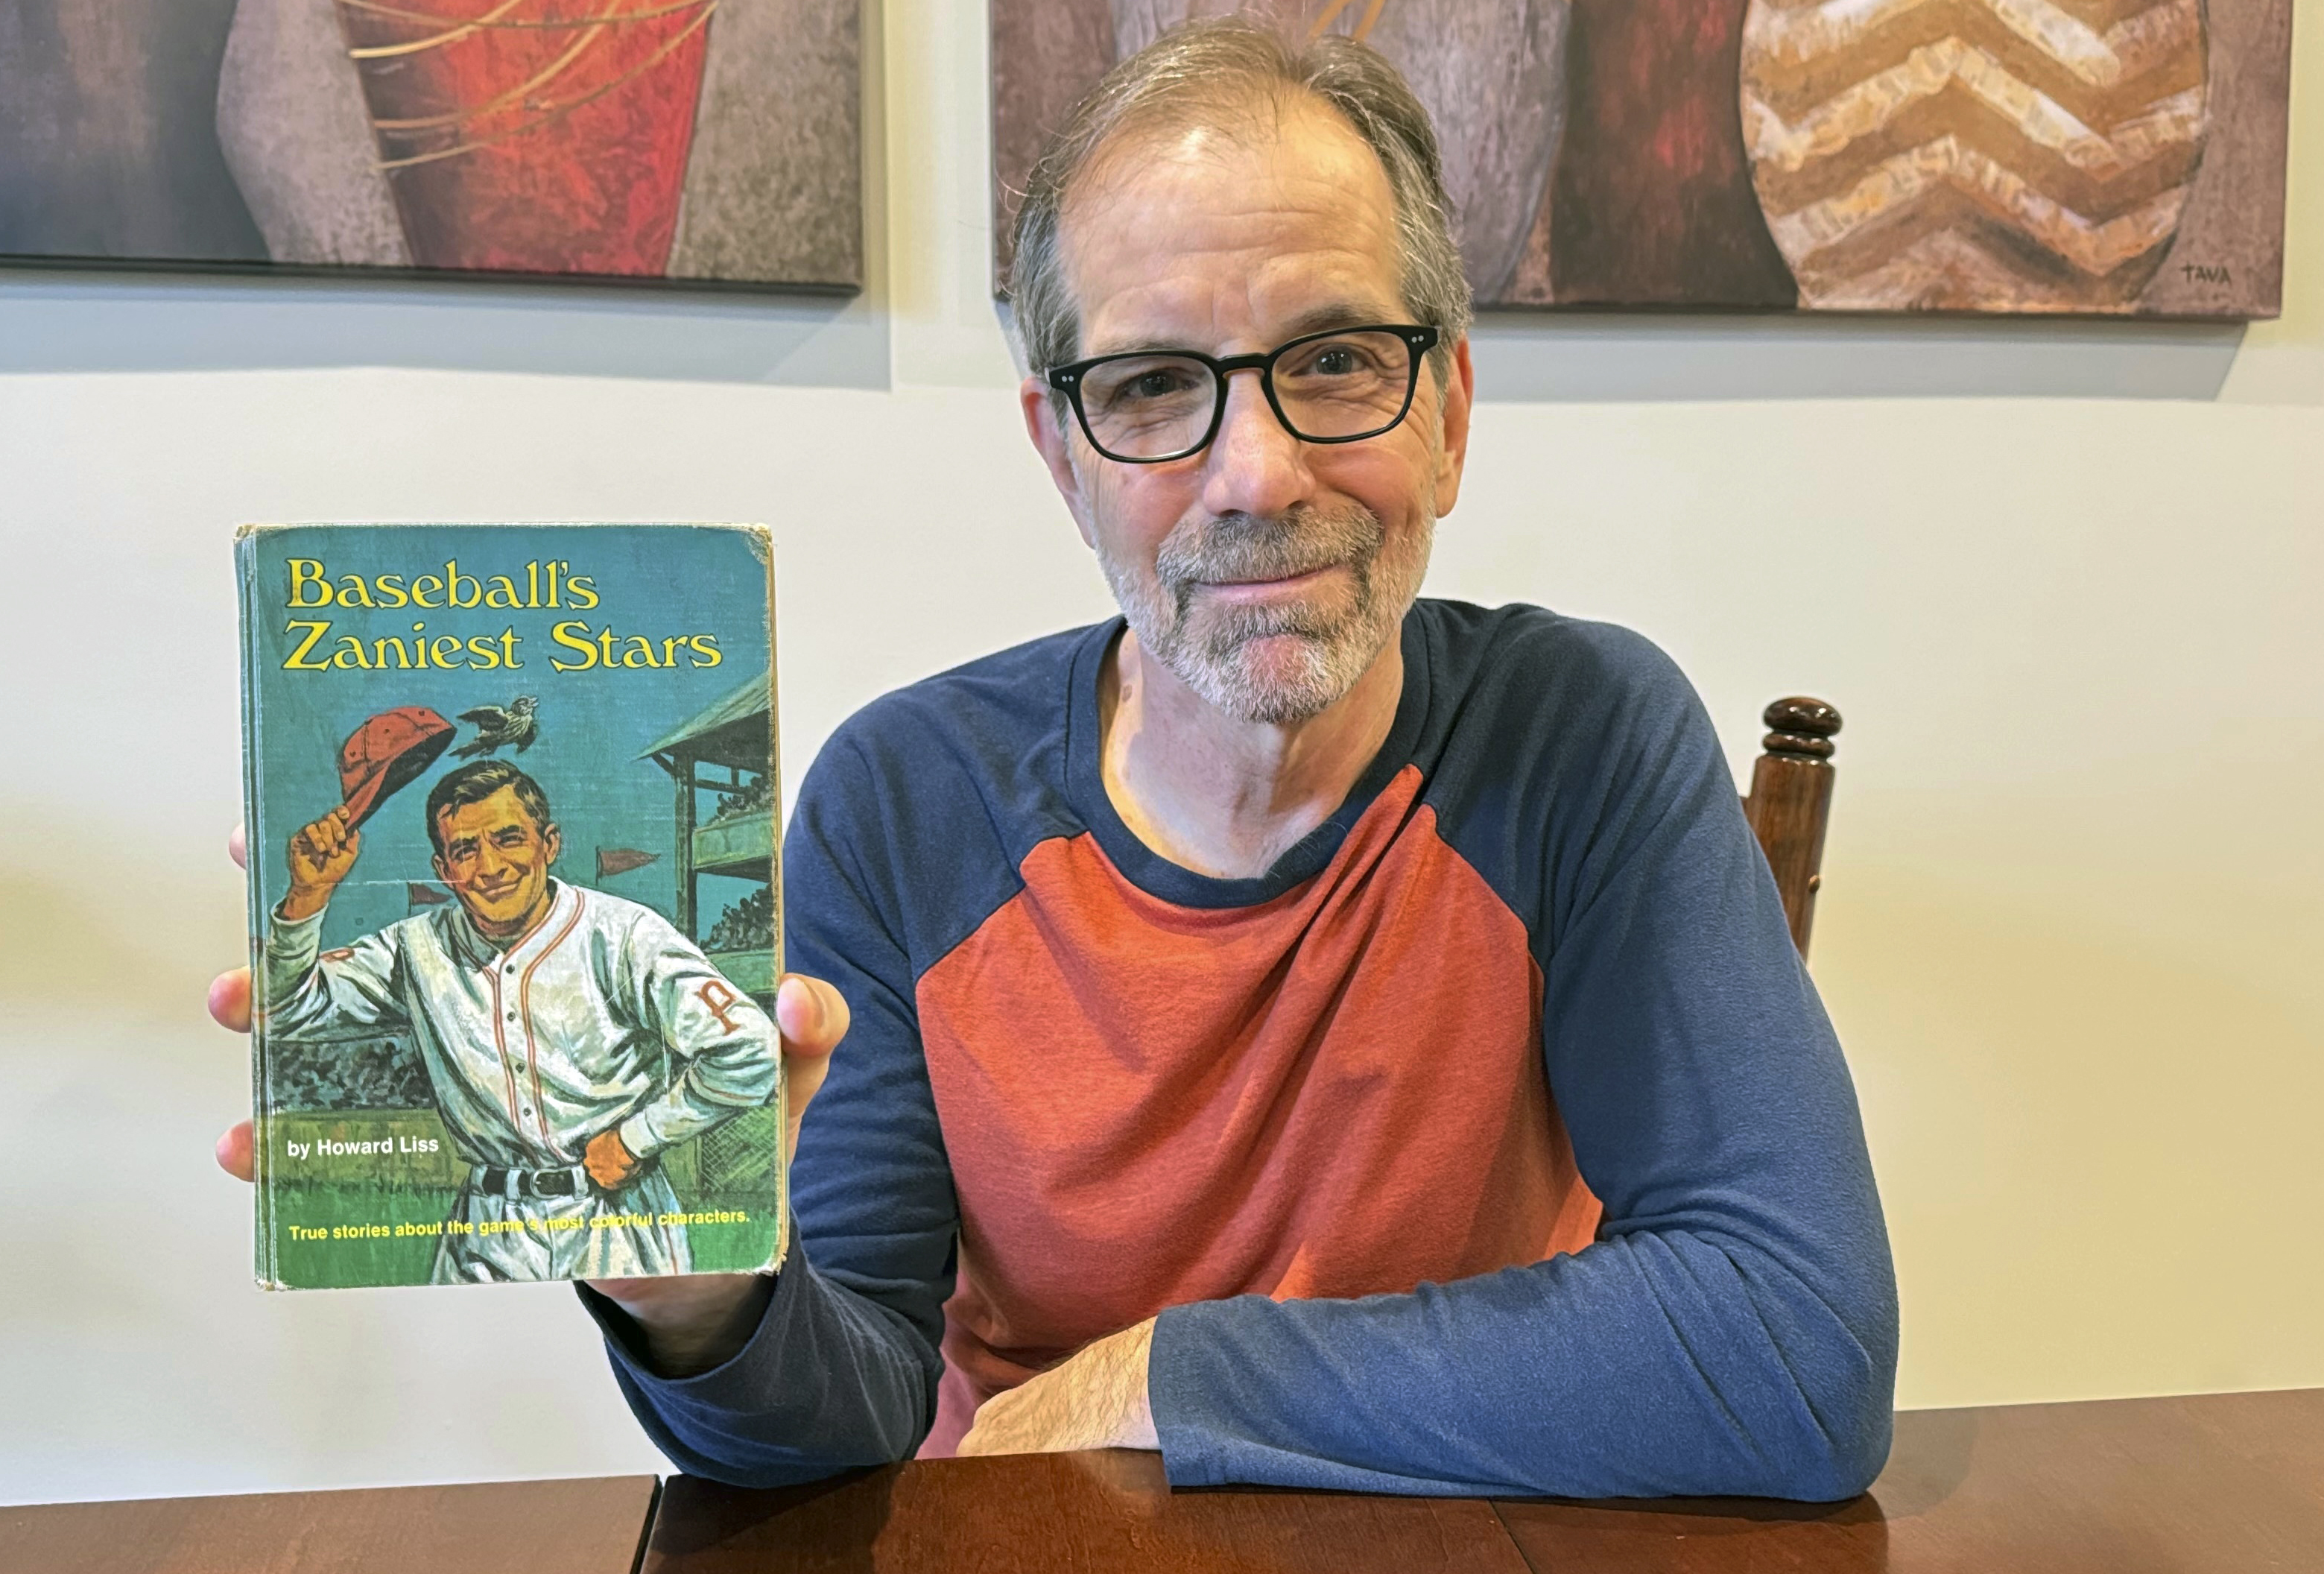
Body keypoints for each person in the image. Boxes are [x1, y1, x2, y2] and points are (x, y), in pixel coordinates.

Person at [215, 18, 1895, 1496]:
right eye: (1157, 387)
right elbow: (846, 1421)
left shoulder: (1582, 739)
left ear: (1449, 409)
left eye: (1332, 362)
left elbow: (1792, 1344)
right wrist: (694, 1286)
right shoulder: (903, 807)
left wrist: (1157, 1378)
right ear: (1061, 453)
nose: (1253, 471)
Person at [257, 759, 780, 1282]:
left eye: (509, 838)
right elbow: (279, 1013)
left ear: (548, 844)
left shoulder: (623, 935)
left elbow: (753, 1049)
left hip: (615, 1217)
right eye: (465, 849)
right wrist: (308, 896)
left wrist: (637, 1137)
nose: (489, 866)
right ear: (443, 870)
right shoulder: (414, 947)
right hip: (487, 1224)